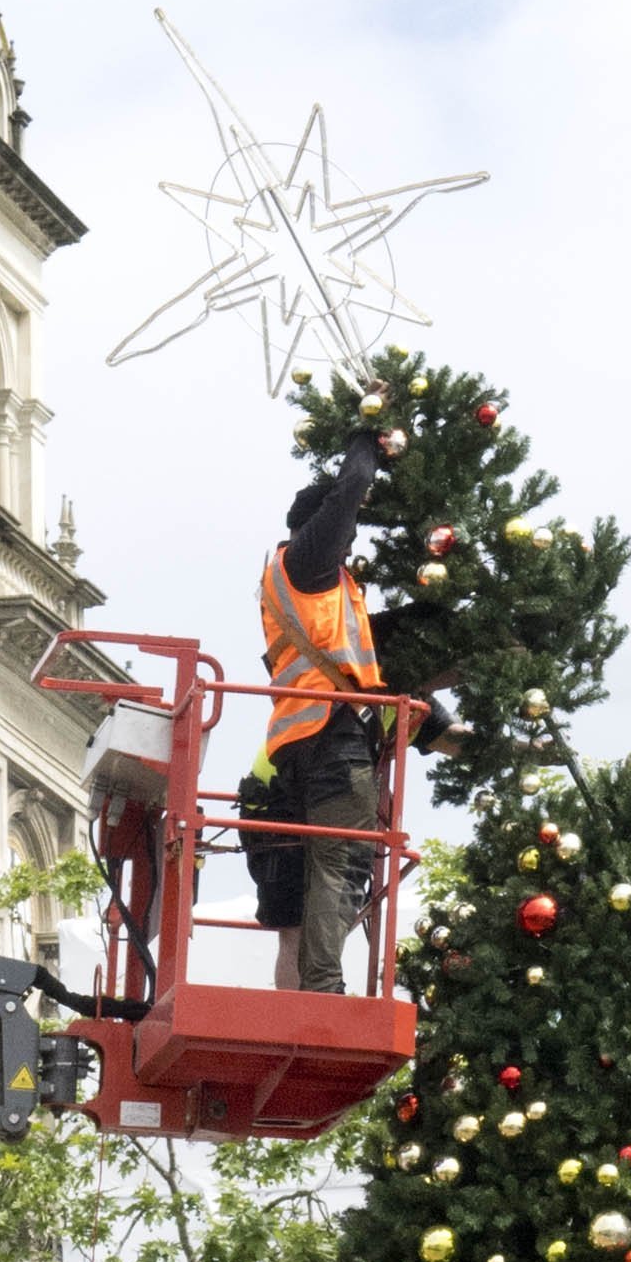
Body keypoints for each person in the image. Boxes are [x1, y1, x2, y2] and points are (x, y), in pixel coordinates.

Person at [236, 424, 391, 994]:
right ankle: (324, 989)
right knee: (342, 862)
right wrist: (366, 437)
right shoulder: (310, 562)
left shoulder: (291, 578)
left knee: (313, 878)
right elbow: (350, 489)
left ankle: (304, 993)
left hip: (295, 738)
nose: (348, 539)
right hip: (328, 733)